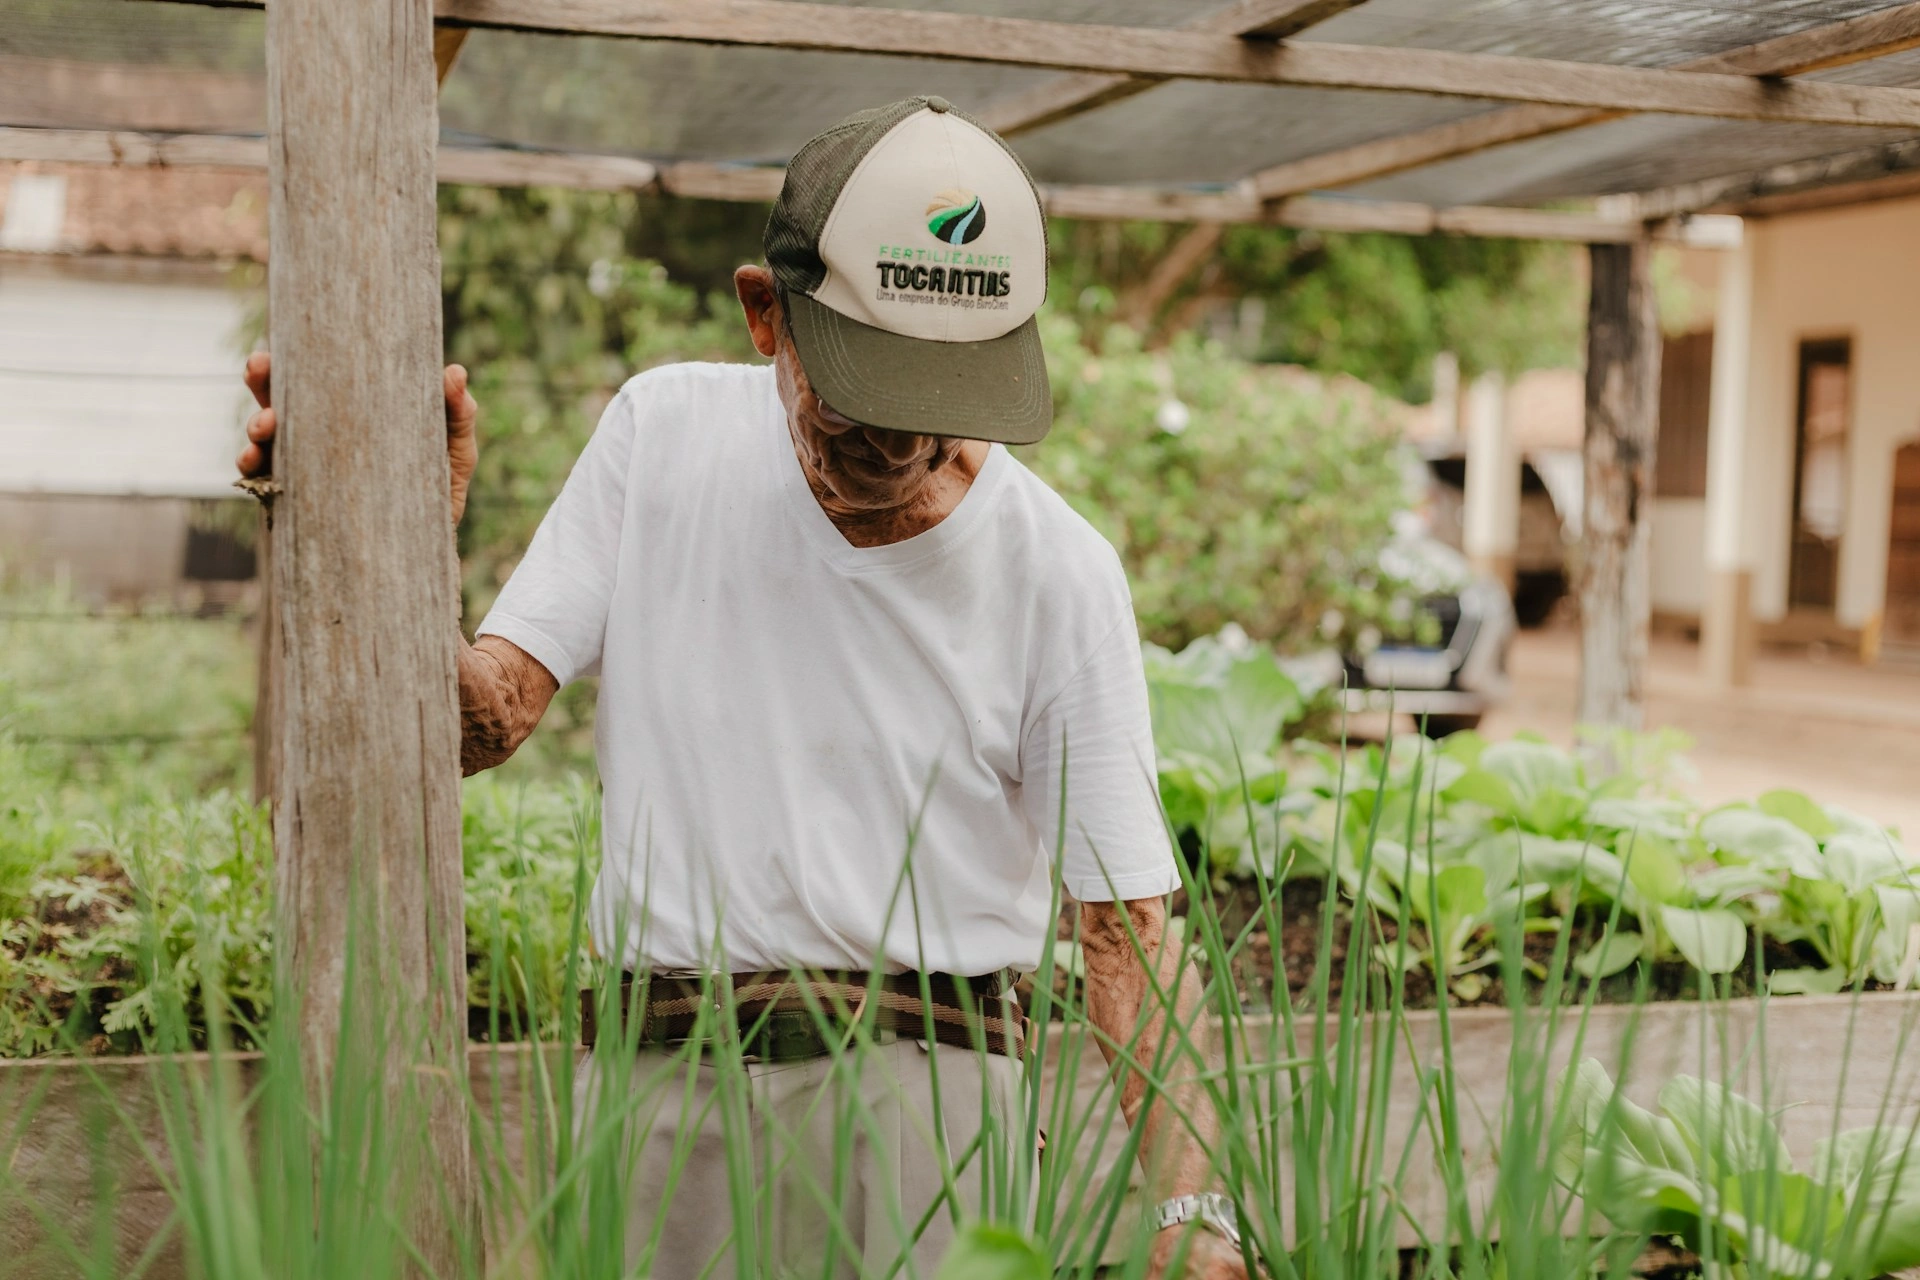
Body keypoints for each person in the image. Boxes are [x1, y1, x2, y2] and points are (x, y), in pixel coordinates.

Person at [238, 96, 1248, 1280]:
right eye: (865, 400)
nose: (900, 451)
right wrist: (389, 542)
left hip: (935, 1104)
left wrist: (1196, 1218)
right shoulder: (661, 434)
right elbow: (480, 721)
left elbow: (1125, 929)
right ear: (767, 315)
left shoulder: (1060, 571)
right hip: (665, 1082)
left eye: (941, 410)